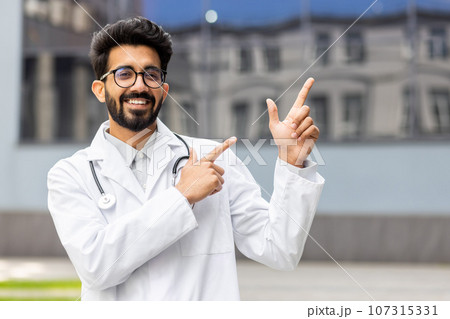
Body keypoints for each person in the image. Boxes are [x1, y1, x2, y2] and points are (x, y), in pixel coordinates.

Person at [47, 16, 324, 301]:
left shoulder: (215, 160)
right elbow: (96, 268)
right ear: (100, 89)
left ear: (164, 91)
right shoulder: (71, 175)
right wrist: (182, 197)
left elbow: (280, 250)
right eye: (124, 74)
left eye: (151, 75)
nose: (139, 86)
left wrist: (292, 162)